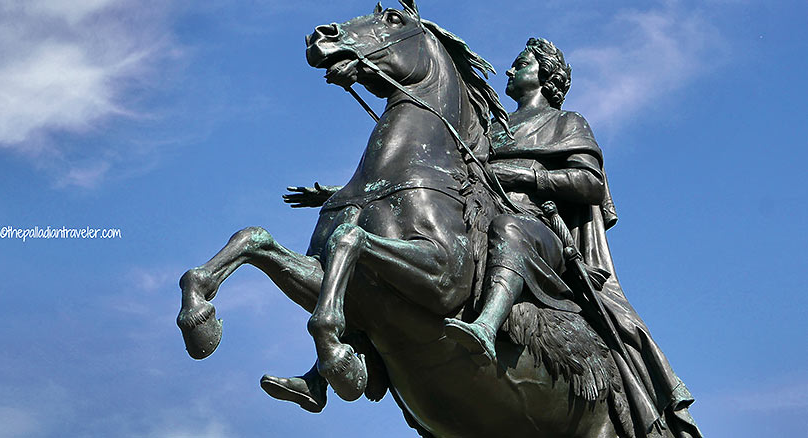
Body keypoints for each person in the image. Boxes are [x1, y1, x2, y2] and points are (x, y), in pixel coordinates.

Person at [269, 38, 701, 438]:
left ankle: (486, 324)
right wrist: (349, 188)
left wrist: (525, 174)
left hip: (537, 227)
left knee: (508, 229)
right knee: (391, 257)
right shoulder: (492, 128)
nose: (510, 70)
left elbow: (589, 182)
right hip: (478, 212)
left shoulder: (566, 122)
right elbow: (434, 172)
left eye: (522, 64)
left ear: (547, 77)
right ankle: (322, 373)